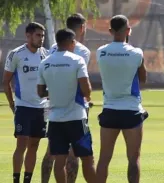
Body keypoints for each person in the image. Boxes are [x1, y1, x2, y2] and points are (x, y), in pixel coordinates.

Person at [37, 28, 96, 183]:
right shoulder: (77, 60)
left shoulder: (45, 62)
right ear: (72, 42)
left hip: (55, 119)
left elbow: (40, 92)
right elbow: (86, 90)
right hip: (76, 117)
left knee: (59, 160)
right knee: (87, 158)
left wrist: (56, 89)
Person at [95, 15, 148, 183]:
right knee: (134, 158)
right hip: (131, 110)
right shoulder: (136, 53)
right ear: (128, 30)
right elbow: (143, 78)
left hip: (109, 109)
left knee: (104, 158)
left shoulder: (100, 52)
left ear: (110, 31)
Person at [3, 22, 48, 183]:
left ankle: (27, 179)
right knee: (21, 144)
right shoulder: (16, 54)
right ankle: (16, 178)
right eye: (38, 35)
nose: (41, 39)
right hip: (23, 107)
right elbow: (6, 81)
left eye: (43, 35)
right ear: (28, 36)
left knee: (34, 145)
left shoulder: (46, 55)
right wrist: (12, 103)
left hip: (42, 108)